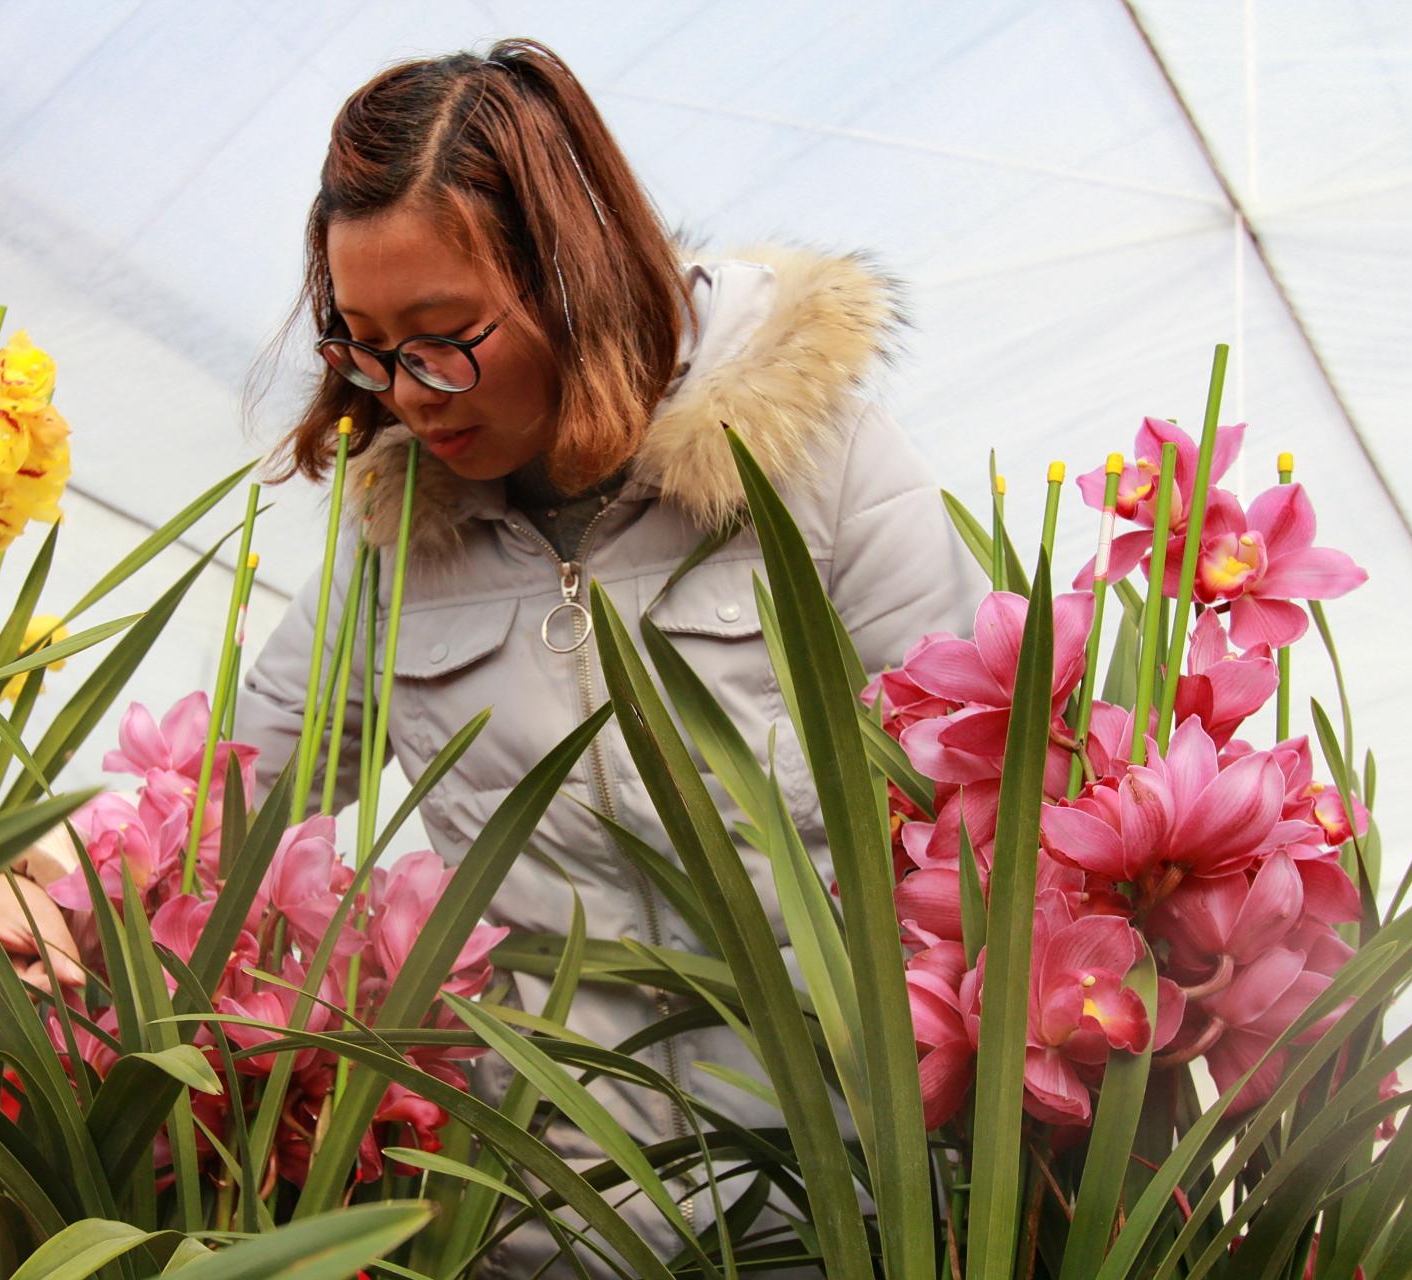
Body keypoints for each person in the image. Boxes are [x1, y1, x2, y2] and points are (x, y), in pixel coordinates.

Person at [228, 38, 981, 1278]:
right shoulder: (395, 545)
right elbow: (229, 815)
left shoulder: (822, 467)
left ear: (573, 272)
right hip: (538, 1232)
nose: (409, 392)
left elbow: (997, 805)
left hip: (846, 1211)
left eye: (445, 333)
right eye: (364, 344)